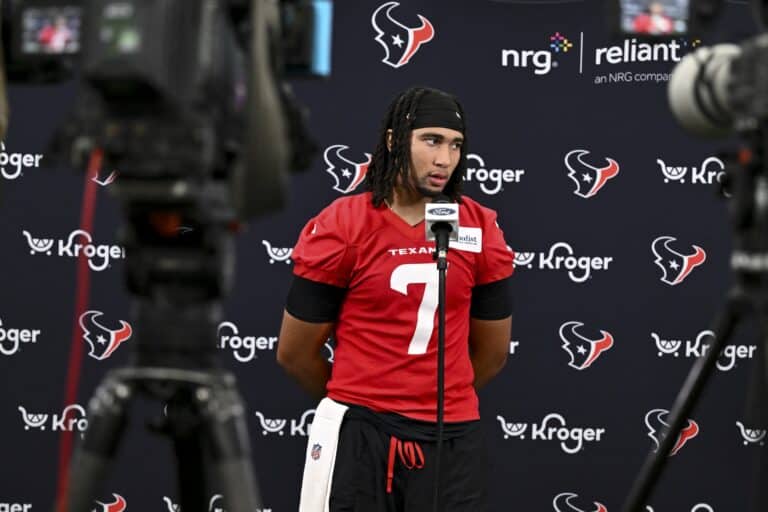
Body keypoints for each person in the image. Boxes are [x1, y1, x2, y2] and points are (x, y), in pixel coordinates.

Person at [276, 86, 514, 512]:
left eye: (456, 145)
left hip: (452, 436)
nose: (445, 159)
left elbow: (493, 352)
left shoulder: (479, 227)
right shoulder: (344, 224)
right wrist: (361, 406)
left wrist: (432, 401)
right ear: (392, 141)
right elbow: (296, 353)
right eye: (431, 140)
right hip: (362, 434)